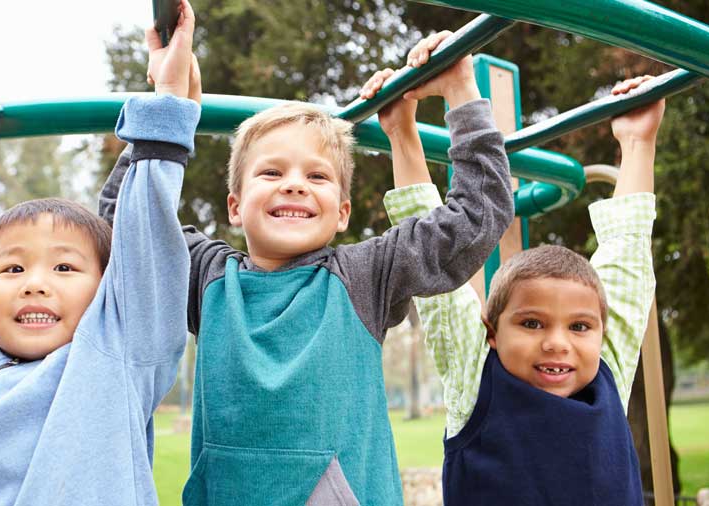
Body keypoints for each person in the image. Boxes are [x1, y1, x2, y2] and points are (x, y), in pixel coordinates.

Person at [100, 28, 515, 505]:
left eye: (317, 176)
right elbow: (125, 230)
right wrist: (169, 108)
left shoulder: (364, 277)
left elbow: (476, 216)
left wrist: (461, 91)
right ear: (235, 206)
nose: (294, 185)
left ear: (342, 213)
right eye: (272, 172)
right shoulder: (210, 279)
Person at [0, 1, 201, 503]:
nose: (35, 282)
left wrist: (166, 104)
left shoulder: (118, 354)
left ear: (107, 290)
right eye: (12, 267)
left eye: (63, 266)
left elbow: (146, 251)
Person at [383, 73, 664, 506]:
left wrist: (638, 143)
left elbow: (627, 257)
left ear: (600, 332)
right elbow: (431, 256)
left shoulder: (606, 372)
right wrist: (402, 131)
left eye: (580, 326)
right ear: (491, 334)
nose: (557, 343)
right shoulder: (477, 379)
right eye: (531, 323)